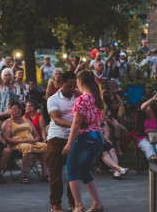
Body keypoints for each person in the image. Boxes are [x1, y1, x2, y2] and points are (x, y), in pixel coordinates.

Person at [63, 70, 104, 212]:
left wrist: (69, 143)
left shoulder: (81, 100)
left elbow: (76, 123)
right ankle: (97, 203)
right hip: (98, 136)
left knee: (71, 170)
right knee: (85, 171)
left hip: (85, 137)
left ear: (79, 81)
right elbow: (100, 119)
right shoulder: (97, 98)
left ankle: (78, 205)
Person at [46, 71, 78, 212]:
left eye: (74, 86)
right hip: (56, 138)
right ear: (62, 83)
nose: (72, 89)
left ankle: (74, 202)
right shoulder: (53, 99)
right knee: (55, 173)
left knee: (73, 172)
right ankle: (56, 204)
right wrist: (74, 126)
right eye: (69, 86)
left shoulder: (78, 96)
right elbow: (56, 120)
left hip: (75, 137)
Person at [2, 100, 49, 184]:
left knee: (45, 146)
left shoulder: (27, 120)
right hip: (16, 144)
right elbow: (7, 139)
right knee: (27, 147)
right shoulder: (7, 122)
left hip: (30, 143)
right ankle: (25, 175)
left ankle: (45, 174)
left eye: (19, 109)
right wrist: (24, 141)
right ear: (10, 111)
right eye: (15, 109)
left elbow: (37, 135)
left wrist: (34, 140)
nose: (18, 110)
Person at [137, 94, 157, 161]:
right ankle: (154, 165)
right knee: (148, 147)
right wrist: (152, 99)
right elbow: (142, 107)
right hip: (144, 139)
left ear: (153, 109)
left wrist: (154, 131)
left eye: (148, 107)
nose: (146, 108)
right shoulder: (142, 117)